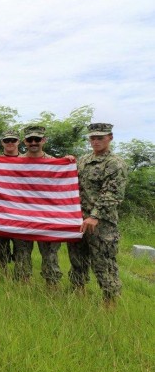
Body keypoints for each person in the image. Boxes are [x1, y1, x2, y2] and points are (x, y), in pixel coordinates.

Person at [68, 123, 128, 306]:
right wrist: (67, 162)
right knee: (78, 260)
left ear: (110, 137)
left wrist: (95, 216)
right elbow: (70, 183)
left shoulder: (115, 164)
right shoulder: (83, 161)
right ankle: (79, 294)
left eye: (100, 137)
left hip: (101, 224)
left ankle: (110, 303)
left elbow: (113, 194)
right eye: (92, 138)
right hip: (78, 221)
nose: (96, 141)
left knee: (104, 264)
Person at [11, 126, 63, 287]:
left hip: (47, 218)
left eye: (37, 139)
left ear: (44, 140)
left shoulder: (55, 164)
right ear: (25, 141)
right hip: (22, 218)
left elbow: (62, 191)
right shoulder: (15, 164)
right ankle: (23, 288)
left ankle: (51, 288)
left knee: (50, 255)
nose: (33, 143)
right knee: (22, 254)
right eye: (30, 140)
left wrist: (67, 163)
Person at [0, 129, 21, 269]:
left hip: (21, 214)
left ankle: (22, 279)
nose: (10, 143)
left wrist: (67, 160)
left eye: (13, 140)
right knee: (1, 248)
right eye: (6, 140)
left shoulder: (27, 160)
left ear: (18, 141)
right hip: (1, 213)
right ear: (2, 143)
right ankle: (2, 276)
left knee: (21, 250)